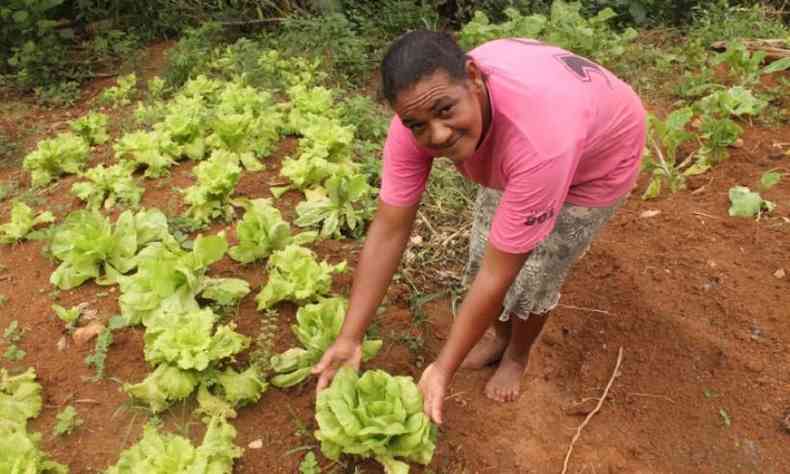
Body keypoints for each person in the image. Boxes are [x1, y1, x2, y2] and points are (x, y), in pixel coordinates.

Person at [312, 30, 646, 425]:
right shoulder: (415, 120)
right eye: (418, 124)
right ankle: (499, 336)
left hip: (599, 157)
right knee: (483, 248)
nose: (436, 134)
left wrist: (442, 369)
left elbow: (498, 271)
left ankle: (518, 354)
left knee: (535, 275)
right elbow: (389, 228)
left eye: (445, 110)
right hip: (535, 121)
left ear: (473, 77)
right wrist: (350, 336)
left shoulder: (539, 143)